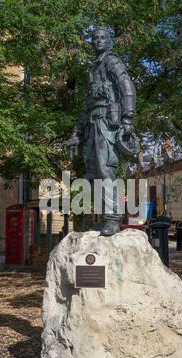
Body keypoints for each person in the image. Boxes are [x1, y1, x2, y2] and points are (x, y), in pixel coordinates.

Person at [67, 26, 136, 236]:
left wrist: (128, 118)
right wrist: (77, 133)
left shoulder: (111, 61)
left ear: (109, 41)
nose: (98, 41)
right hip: (93, 124)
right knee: (92, 174)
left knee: (105, 170)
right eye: (95, 38)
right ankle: (100, 217)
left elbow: (127, 87)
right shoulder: (94, 69)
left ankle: (113, 219)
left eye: (102, 38)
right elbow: (88, 105)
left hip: (107, 123)